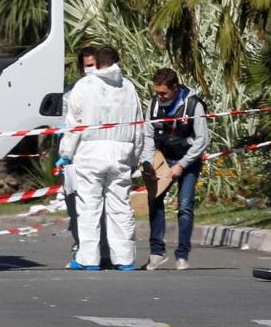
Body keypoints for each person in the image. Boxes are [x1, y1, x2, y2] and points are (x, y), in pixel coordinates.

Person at [58, 46, 145, 271]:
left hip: (90, 152)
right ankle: (125, 259)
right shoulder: (128, 88)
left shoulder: (84, 86)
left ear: (96, 63)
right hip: (122, 152)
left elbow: (74, 125)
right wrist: (134, 156)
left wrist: (66, 154)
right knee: (121, 207)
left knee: (89, 207)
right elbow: (138, 127)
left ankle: (88, 259)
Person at [139, 68, 209, 271]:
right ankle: (156, 252)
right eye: (157, 93)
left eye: (164, 93)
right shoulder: (153, 105)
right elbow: (148, 136)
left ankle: (182, 255)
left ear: (175, 88)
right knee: (155, 200)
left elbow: (202, 140)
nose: (160, 97)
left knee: (185, 205)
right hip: (163, 158)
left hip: (188, 160)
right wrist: (147, 163)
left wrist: (182, 164)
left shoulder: (193, 105)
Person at [60, 47, 99, 264]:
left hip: (97, 153)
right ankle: (80, 248)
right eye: (87, 66)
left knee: (98, 206)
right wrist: (65, 154)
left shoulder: (114, 89)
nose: (90, 70)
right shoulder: (71, 91)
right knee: (75, 205)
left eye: (93, 65)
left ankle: (99, 252)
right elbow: (68, 124)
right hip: (74, 157)